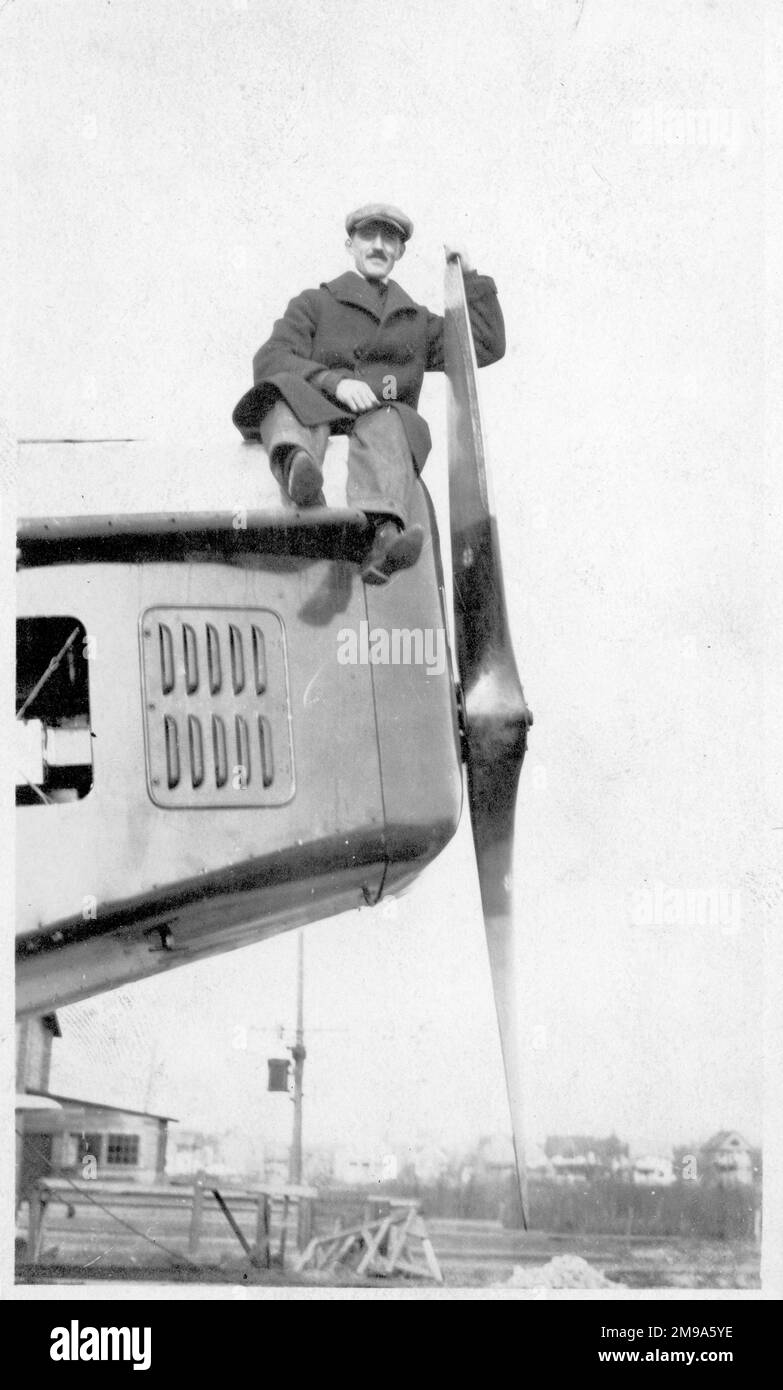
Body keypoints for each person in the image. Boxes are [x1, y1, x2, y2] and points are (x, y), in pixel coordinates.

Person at [233, 203, 505, 583]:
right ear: (351, 244)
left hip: (379, 435)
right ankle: (299, 470)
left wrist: (470, 276)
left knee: (393, 417)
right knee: (281, 390)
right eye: (368, 236)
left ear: (400, 251)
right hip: (315, 416)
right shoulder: (315, 303)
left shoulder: (414, 321)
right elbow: (271, 357)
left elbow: (483, 345)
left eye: (389, 238)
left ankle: (383, 537)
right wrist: (335, 383)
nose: (378, 246)